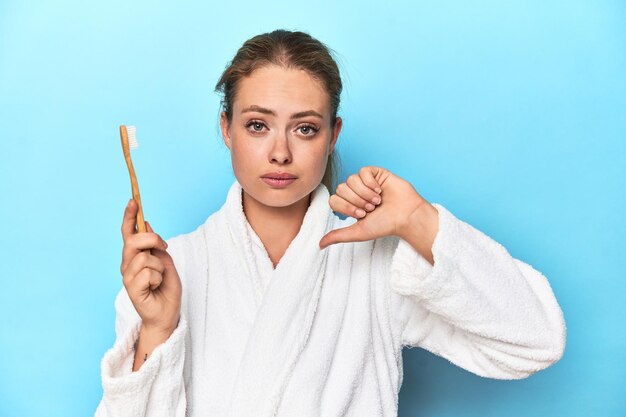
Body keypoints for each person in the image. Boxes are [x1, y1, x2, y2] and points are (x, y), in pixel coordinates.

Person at [95, 29, 566, 417]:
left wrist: (419, 222)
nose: (280, 151)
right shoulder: (171, 272)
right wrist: (157, 331)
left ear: (332, 134)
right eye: (258, 125)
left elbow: (537, 341)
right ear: (226, 128)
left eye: (305, 128)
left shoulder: (379, 267)